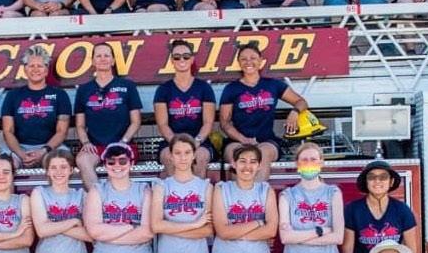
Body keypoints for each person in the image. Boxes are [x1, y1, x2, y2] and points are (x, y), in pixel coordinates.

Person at [218, 43, 310, 179]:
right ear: (239, 63)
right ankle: (238, 193)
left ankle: (259, 193)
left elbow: (301, 102)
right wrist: (244, 140)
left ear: (261, 61)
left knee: (262, 154)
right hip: (237, 141)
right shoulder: (231, 89)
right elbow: (224, 123)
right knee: (239, 156)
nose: (248, 62)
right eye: (243, 59)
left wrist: (294, 112)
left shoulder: (273, 84)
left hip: (267, 141)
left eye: (253, 58)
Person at [341, 159, 419, 253]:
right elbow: (347, 248)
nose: (377, 181)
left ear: (391, 182)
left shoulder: (402, 210)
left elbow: (411, 249)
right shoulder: (353, 209)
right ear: (366, 182)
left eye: (383, 177)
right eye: (372, 177)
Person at [83, 143, 154, 253]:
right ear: (105, 165)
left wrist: (106, 235)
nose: (117, 166)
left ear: (131, 163)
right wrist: (130, 227)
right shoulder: (97, 190)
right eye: (111, 162)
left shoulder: (144, 190)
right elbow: (94, 231)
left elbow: (147, 232)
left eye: (122, 161)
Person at [210, 145, 278, 253]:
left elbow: (271, 230)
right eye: (242, 161)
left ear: (259, 165)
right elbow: (222, 232)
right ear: (233, 163)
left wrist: (234, 232)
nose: (247, 166)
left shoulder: (266, 190)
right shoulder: (221, 189)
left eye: (253, 162)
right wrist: (258, 223)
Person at [153, 134, 214, 253]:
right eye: (177, 153)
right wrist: (194, 224)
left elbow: (207, 230)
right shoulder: (161, 186)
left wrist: (170, 227)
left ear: (194, 155)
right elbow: (156, 226)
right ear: (170, 156)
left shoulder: (205, 186)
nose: (182, 157)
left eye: (187, 152)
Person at [29, 149, 92, 253]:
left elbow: (89, 235)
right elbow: (42, 231)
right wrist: (74, 221)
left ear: (71, 170)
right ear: (47, 171)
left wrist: (53, 225)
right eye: (53, 167)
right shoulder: (40, 193)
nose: (59, 172)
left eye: (63, 167)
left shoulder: (81, 195)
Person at [71, 43, 143, 183]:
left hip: (123, 144)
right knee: (83, 160)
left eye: (106, 55)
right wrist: (86, 142)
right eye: (98, 56)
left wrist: (123, 142)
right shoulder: (83, 90)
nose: (103, 59)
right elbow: (80, 125)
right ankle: (96, 195)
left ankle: (114, 197)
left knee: (117, 163)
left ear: (113, 61)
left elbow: (136, 121)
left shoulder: (127, 86)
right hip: (95, 146)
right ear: (92, 61)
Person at [0, 47, 71, 168]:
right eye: (31, 66)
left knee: (58, 164)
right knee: (5, 166)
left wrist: (43, 151)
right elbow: (8, 131)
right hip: (19, 147)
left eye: (40, 66)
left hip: (50, 147)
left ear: (46, 70)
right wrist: (21, 154)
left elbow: (62, 132)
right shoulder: (12, 95)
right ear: (25, 69)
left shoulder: (60, 95)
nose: (35, 69)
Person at [150, 41, 217, 173]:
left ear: (192, 59)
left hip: (200, 141)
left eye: (186, 56)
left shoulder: (204, 88)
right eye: (177, 57)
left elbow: (208, 122)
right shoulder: (163, 90)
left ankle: (197, 188)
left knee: (200, 157)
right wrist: (176, 144)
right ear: (172, 61)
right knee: (169, 157)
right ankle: (173, 188)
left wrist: (196, 142)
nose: (182, 60)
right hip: (171, 141)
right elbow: (162, 124)